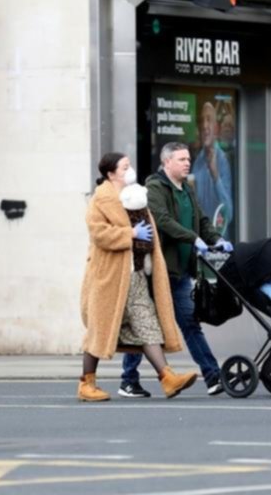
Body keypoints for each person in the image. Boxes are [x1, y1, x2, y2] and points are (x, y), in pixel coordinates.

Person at [78, 152, 197, 402]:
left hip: (137, 275)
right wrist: (130, 233)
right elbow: (98, 233)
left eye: (129, 165)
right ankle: (86, 383)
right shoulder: (101, 199)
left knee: (147, 325)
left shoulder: (135, 195)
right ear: (111, 174)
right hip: (110, 277)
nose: (129, 170)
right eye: (124, 167)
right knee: (100, 330)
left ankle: (167, 377)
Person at [119, 142, 233, 398]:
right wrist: (193, 239)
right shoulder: (155, 187)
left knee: (191, 324)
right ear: (167, 162)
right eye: (181, 159)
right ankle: (128, 379)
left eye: (188, 159)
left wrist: (215, 239)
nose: (187, 163)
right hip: (159, 271)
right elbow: (161, 219)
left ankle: (214, 377)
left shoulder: (187, 190)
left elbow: (202, 220)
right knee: (146, 326)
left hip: (181, 273)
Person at [191, 101, 234, 237]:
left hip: (218, 244)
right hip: (200, 241)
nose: (204, 126)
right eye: (202, 121)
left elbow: (229, 214)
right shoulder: (197, 161)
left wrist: (215, 175)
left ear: (216, 128)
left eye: (209, 120)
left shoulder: (223, 160)